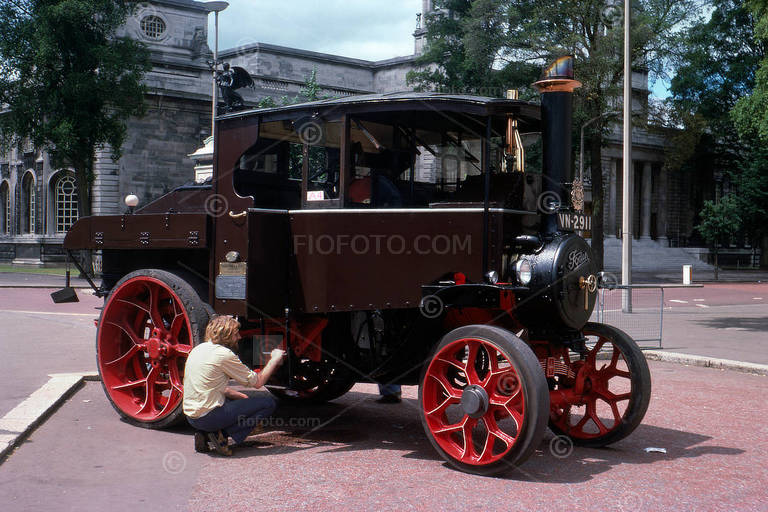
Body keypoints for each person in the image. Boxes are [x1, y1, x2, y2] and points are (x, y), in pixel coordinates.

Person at [183, 315, 285, 455]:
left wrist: (241, 397)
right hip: (209, 417)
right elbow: (258, 382)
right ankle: (221, 435)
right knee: (268, 403)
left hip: (191, 417)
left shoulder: (198, 349)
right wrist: (274, 359)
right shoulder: (224, 355)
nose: (239, 337)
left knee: (243, 402)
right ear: (226, 335)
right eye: (236, 334)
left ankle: (206, 433)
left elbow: (213, 386)